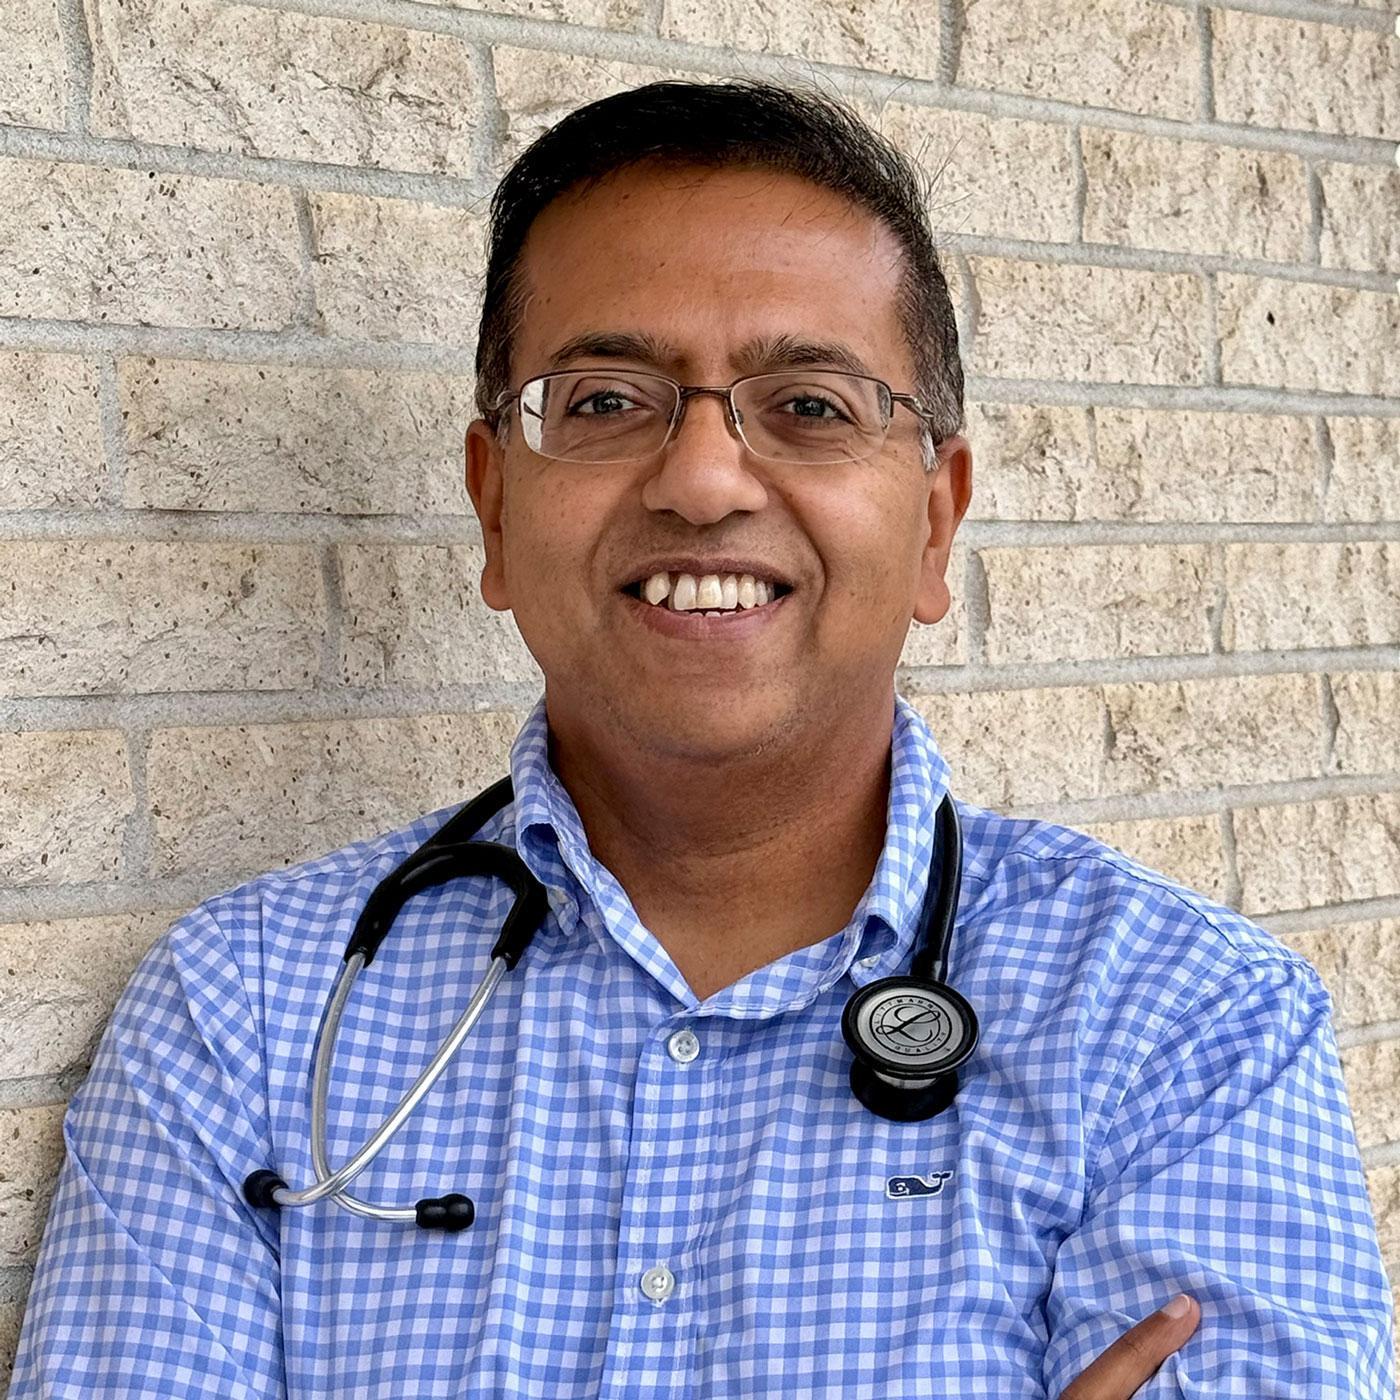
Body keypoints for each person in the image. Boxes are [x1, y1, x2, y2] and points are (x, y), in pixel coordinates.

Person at [9, 80, 1394, 1398]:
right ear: (495, 507)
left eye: (811, 407)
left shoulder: (1182, 1026)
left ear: (936, 520)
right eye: (607, 401)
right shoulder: (245, 1015)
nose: (705, 479)